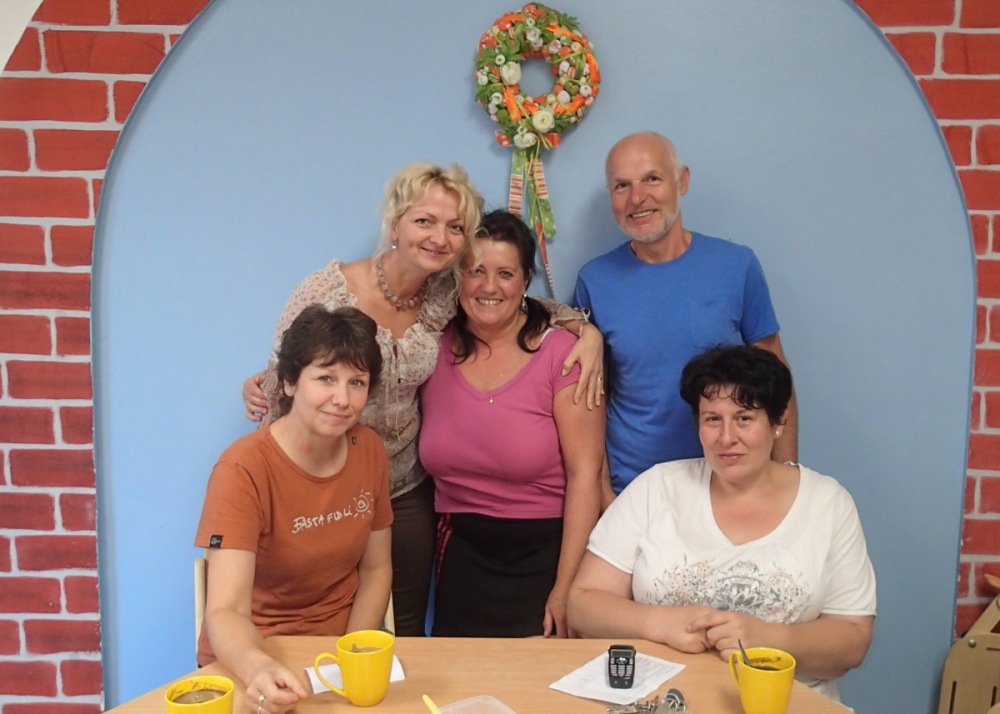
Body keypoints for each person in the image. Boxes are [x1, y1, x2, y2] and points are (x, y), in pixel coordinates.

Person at [241, 163, 603, 635]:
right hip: (326, 482)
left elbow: (509, 299)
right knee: (313, 613)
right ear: (395, 225)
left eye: (454, 227)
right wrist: (268, 385)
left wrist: (586, 331)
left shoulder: (443, 292)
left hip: (405, 488)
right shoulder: (326, 291)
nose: (438, 238)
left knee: (404, 630)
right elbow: (284, 384)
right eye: (424, 221)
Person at [567, 345, 875, 703]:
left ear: (778, 422)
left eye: (744, 418)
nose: (726, 438)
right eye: (712, 419)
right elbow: (583, 603)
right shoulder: (656, 487)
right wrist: (660, 623)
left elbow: (853, 639)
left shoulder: (828, 503)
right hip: (663, 703)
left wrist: (768, 638)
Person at [573, 131, 797, 501]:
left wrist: (786, 475)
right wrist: (603, 490)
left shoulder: (736, 266)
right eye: (622, 185)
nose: (637, 198)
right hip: (635, 493)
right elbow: (591, 401)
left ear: (683, 181)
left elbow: (777, 379)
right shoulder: (594, 280)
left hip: (730, 487)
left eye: (652, 179)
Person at [196, 305, 393, 714]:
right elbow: (226, 610)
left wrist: (350, 656)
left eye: (356, 382)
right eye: (325, 378)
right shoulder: (242, 469)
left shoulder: (369, 450)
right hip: (253, 656)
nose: (342, 399)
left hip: (336, 653)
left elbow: (376, 569)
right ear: (289, 382)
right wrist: (260, 667)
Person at [419, 210, 605, 638]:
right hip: (459, 552)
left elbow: (585, 475)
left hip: (547, 550)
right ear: (457, 276)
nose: (489, 287)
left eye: (505, 274)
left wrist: (566, 588)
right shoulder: (430, 348)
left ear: (525, 282)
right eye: (475, 271)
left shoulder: (566, 354)